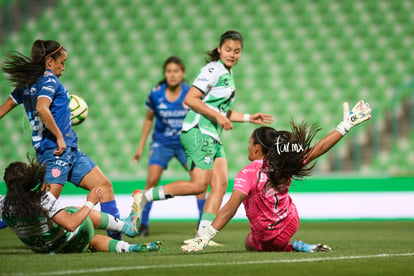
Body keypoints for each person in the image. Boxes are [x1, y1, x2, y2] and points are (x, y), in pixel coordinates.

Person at [130, 30, 273, 239]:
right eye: (228, 50)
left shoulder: (227, 73)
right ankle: (144, 196)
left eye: (237, 51)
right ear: (219, 49)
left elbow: (221, 110)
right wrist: (219, 117)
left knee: (221, 184)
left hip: (212, 134)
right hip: (198, 131)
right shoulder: (213, 69)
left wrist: (249, 117)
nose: (232, 54)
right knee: (199, 185)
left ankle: (202, 236)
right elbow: (191, 99)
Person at [181, 100, 372, 252]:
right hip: (290, 222)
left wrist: (205, 236)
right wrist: (345, 125)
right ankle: (293, 246)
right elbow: (318, 149)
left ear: (256, 147)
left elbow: (231, 206)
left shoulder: (248, 173)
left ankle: (292, 247)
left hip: (265, 232)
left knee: (252, 244)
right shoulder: (285, 162)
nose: (248, 146)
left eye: (250, 143)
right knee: (267, 245)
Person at [0, 40, 122, 240]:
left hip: (70, 152)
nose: (64, 67)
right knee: (40, 207)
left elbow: (3, 109)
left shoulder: (26, 85)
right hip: (55, 151)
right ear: (49, 61)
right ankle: (4, 215)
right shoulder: (49, 81)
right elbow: (41, 107)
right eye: (62, 62)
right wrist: (58, 136)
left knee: (104, 186)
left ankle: (117, 243)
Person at [0, 157, 163, 254]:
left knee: (91, 242)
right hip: (70, 237)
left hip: (44, 249)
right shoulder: (43, 199)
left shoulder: (3, 205)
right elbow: (71, 225)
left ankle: (130, 248)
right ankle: (126, 226)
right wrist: (90, 202)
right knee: (72, 212)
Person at [131, 56, 206, 236]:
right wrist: (140, 147)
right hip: (161, 143)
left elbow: (200, 117)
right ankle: (144, 224)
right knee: (151, 181)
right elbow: (149, 120)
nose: (172, 75)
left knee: (200, 181)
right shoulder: (155, 93)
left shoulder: (191, 93)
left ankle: (202, 225)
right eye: (169, 71)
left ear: (183, 73)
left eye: (176, 71)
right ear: (165, 74)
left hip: (185, 144)